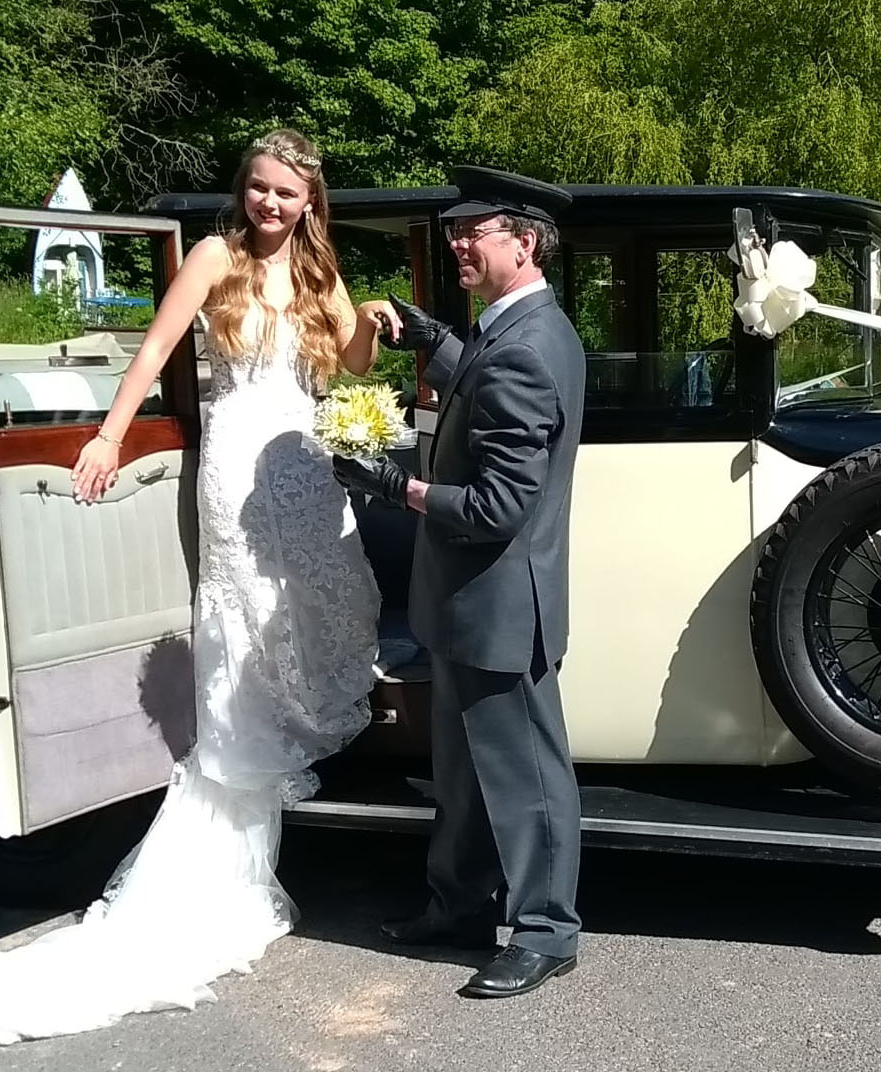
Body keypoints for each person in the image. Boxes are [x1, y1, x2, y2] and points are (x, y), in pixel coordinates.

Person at [0, 129, 402, 1046]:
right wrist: (108, 434)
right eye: (258, 188)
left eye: (286, 194)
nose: (269, 204)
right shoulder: (215, 255)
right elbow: (154, 349)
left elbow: (356, 367)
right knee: (250, 620)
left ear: (310, 202)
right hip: (234, 463)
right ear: (244, 189)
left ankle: (312, 740)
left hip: (301, 462)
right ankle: (256, 769)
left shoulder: (318, 269)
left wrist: (366, 320)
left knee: (339, 593)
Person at [338, 166, 587, 999]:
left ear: (524, 240)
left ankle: (548, 932)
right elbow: (478, 367)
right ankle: (458, 904)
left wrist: (392, 486)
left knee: (525, 780)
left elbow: (496, 505)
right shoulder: (515, 328)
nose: (456, 242)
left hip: (499, 605)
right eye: (454, 230)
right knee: (465, 776)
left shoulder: (526, 349)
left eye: (471, 230)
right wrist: (431, 337)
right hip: (468, 607)